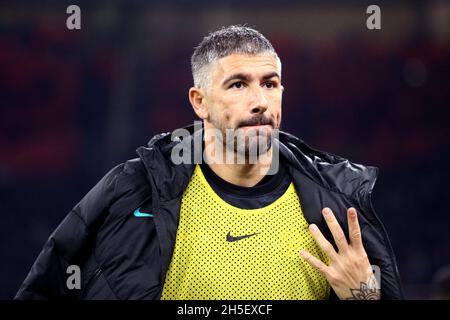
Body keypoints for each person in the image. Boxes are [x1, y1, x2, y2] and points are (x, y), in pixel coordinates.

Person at [15, 25, 403, 300]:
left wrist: (364, 296)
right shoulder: (133, 192)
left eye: (270, 84)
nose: (260, 102)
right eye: (238, 85)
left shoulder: (338, 205)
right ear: (199, 101)